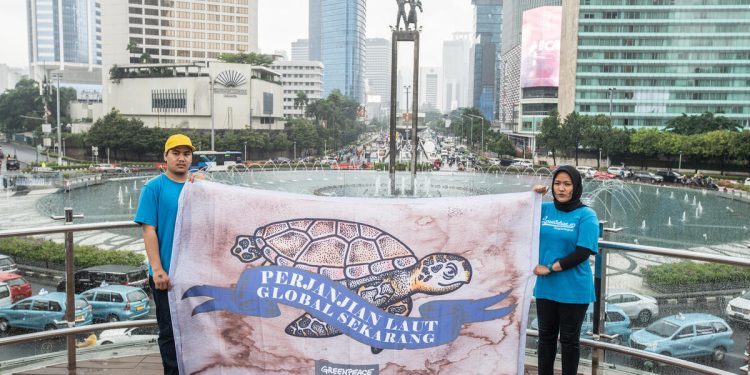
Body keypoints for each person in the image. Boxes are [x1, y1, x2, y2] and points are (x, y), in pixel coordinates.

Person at [134, 134, 202, 375]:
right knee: (169, 331)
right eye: (176, 153)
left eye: (186, 154)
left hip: (194, 271)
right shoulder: (154, 187)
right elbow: (148, 229)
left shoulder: (198, 187)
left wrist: (205, 187)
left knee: (198, 326)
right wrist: (158, 269)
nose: (182, 158)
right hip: (167, 274)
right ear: (165, 156)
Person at [532, 165, 599, 375]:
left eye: (567, 184)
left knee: (569, 341)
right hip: (546, 287)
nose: (561, 189)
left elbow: (583, 252)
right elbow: (517, 217)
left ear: (576, 187)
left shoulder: (586, 215)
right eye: (557, 183)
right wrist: (532, 196)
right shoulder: (544, 209)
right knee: (545, 338)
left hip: (573, 288)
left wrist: (551, 268)